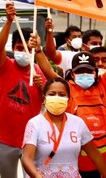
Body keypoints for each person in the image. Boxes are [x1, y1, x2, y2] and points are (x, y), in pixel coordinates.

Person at [31, 37, 106, 178]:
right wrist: (39, 50)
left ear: (95, 73)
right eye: (80, 71)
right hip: (76, 160)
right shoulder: (68, 89)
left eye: (89, 71)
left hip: (101, 158)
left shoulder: (102, 86)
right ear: (72, 73)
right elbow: (48, 72)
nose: (85, 74)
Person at [0, 2, 46, 178]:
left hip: (30, 142)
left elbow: (51, 100)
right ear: (13, 48)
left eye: (28, 49)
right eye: (19, 48)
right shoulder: (4, 66)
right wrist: (8, 21)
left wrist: (42, 86)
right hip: (4, 140)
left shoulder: (39, 72)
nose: (23, 52)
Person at [22, 77, 106, 178]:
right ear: (44, 99)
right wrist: (36, 175)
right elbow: (27, 157)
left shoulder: (78, 123)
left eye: (62, 95)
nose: (57, 98)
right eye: (52, 94)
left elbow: (94, 154)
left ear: (69, 99)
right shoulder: (35, 123)